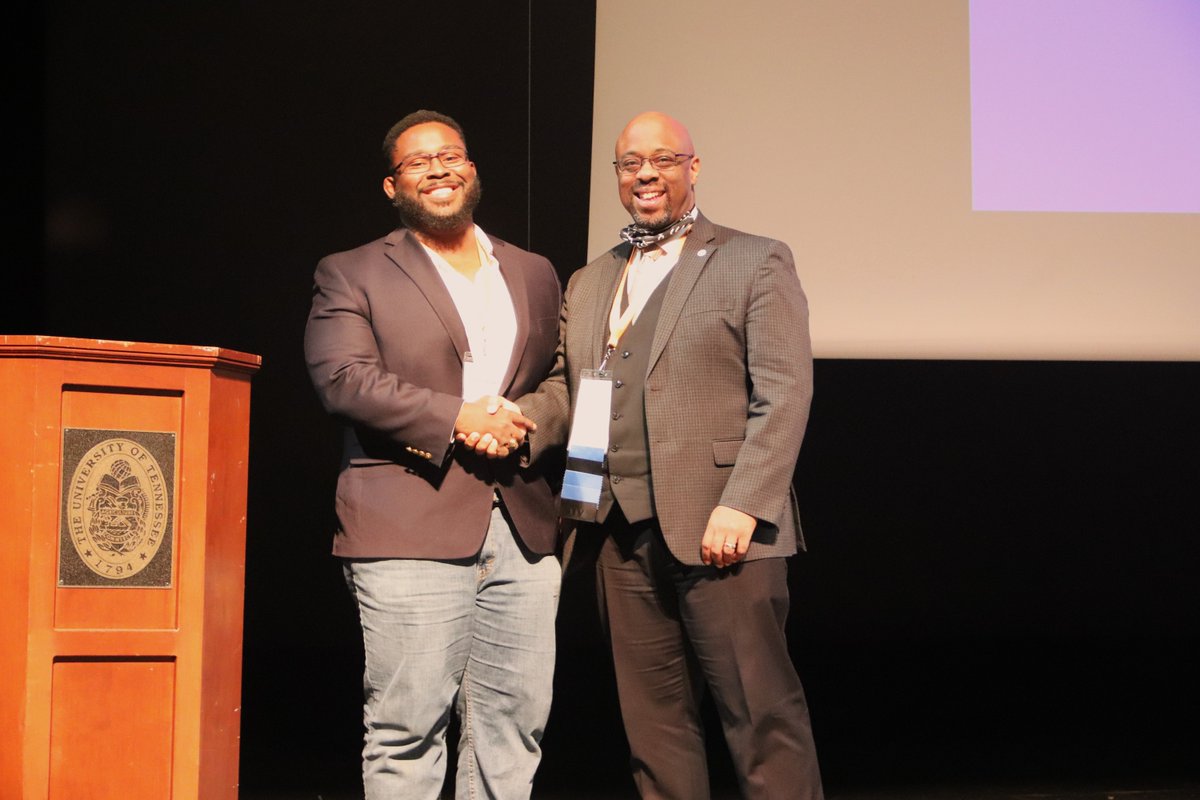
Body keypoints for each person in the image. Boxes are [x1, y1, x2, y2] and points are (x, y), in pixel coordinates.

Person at [515, 111, 824, 799]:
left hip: (722, 529)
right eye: (631, 163)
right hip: (616, 529)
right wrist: (516, 421)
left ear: (693, 167)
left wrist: (743, 504)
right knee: (653, 729)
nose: (646, 174)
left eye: (662, 160)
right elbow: (572, 387)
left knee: (762, 717)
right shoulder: (593, 279)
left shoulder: (754, 257)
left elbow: (784, 393)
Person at [303, 109, 563, 800]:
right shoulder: (352, 271)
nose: (439, 168)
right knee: (408, 728)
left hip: (524, 529)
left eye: (451, 155)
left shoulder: (535, 272)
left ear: (473, 170)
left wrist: (523, 420)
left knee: (513, 729)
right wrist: (457, 418)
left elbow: (567, 377)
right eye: (419, 162)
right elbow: (343, 379)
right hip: (407, 523)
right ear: (393, 186)